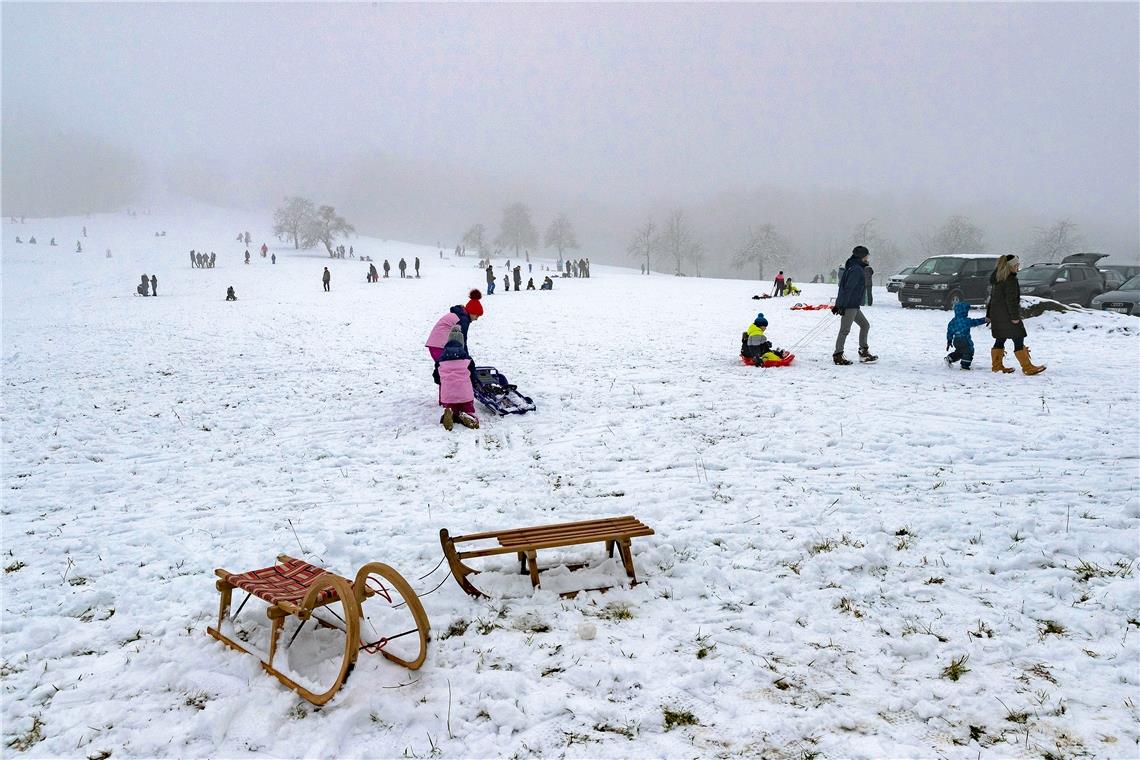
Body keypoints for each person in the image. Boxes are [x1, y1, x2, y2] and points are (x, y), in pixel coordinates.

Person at [988, 254, 1045, 374]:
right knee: (1018, 336)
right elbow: (1011, 300)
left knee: (1000, 338)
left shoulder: (998, 278)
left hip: (997, 314)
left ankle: (997, 366)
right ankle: (1027, 367)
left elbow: (992, 298)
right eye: (1016, 265)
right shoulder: (1010, 279)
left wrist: (989, 314)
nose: (1018, 268)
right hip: (1007, 314)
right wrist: (1014, 317)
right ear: (1010, 266)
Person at [832, 246, 877, 365]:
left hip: (853, 304)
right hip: (850, 305)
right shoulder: (856, 269)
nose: (868, 258)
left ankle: (863, 352)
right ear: (861, 256)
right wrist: (841, 305)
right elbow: (848, 288)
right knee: (845, 330)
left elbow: (842, 287)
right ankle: (838, 355)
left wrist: (838, 304)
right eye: (867, 255)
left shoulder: (853, 267)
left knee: (865, 325)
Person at [433, 327, 480, 430]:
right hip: (465, 394)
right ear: (462, 343)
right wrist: (474, 383)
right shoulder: (468, 359)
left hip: (448, 395)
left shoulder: (440, 361)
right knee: (467, 407)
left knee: (451, 406)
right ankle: (466, 414)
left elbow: (436, 378)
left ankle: (450, 413)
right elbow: (473, 376)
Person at [425, 290, 483, 361]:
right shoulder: (463, 319)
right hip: (439, 345)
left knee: (445, 368)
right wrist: (466, 358)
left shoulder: (460, 315)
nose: (476, 319)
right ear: (471, 312)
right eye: (477, 316)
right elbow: (462, 340)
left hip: (436, 344)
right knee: (445, 367)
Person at [945, 301, 988, 370]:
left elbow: (949, 332)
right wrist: (985, 320)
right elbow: (975, 322)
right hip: (964, 339)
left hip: (956, 340)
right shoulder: (966, 321)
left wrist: (949, 341)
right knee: (969, 351)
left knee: (959, 351)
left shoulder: (952, 321)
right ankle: (965, 365)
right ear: (965, 311)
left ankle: (950, 358)